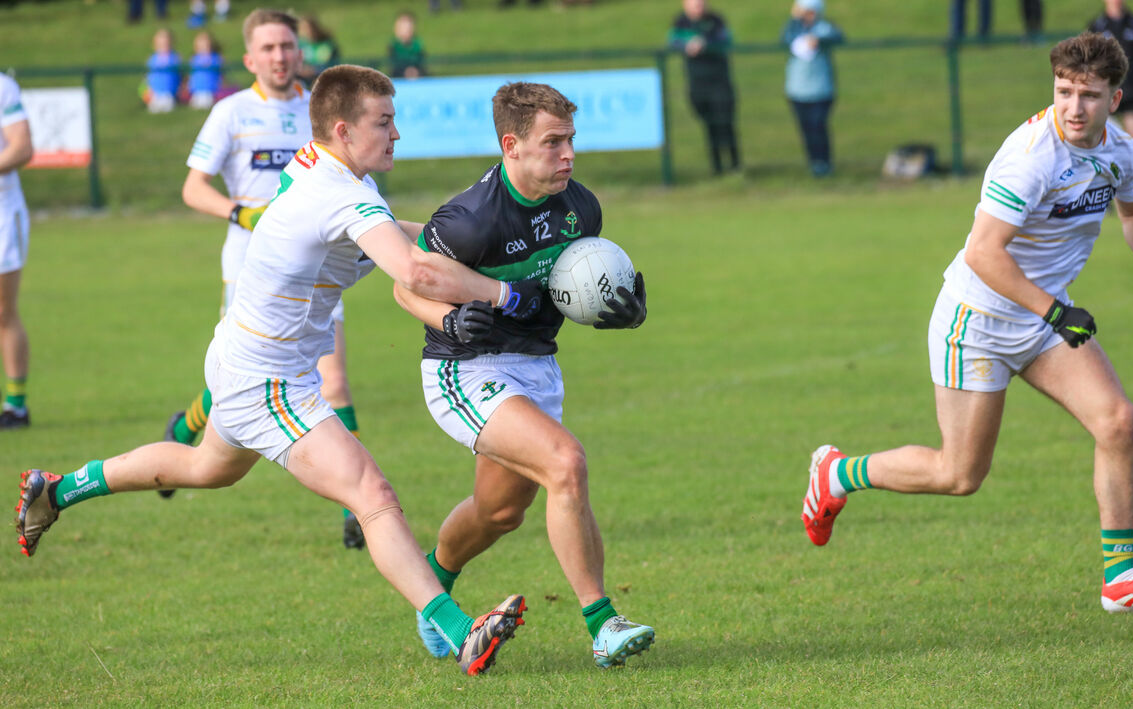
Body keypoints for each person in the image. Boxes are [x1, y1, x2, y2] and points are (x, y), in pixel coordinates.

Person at [14, 63, 547, 676]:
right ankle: (459, 633)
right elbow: (417, 272)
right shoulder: (343, 193)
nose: (396, 134)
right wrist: (506, 293)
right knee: (372, 496)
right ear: (344, 130)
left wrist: (472, 248)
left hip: (241, 356)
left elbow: (408, 240)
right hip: (267, 380)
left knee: (204, 466)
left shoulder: (319, 165)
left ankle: (54, 490)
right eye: (385, 121)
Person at [803, 32, 1133, 614]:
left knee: (1117, 421)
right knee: (959, 475)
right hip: (977, 321)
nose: (1073, 107)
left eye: (1088, 94)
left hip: (1041, 319)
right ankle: (837, 473)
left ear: (1115, 98)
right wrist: (1056, 311)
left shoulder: (1121, 151)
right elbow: (985, 253)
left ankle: (1120, 578)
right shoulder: (1032, 157)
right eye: (1063, 91)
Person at [392, 82, 655, 668]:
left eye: (571, 141)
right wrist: (449, 321)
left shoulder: (580, 207)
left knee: (500, 513)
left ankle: (433, 584)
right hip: (463, 368)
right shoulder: (467, 221)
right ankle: (603, 624)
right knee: (566, 462)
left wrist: (621, 309)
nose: (568, 155)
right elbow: (406, 286)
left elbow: (570, 289)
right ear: (511, 145)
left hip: (536, 367)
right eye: (553, 142)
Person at [167, 9, 357, 549]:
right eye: (268, 48)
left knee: (335, 381)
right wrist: (241, 213)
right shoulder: (232, 113)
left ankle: (353, 506)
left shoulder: (321, 113)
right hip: (252, 272)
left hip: (320, 269)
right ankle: (189, 425)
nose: (279, 56)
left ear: (301, 53)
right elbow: (193, 188)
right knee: (240, 379)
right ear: (250, 58)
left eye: (287, 46)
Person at [669, 0, 739, 175]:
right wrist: (688, 45)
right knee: (709, 125)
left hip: (719, 82)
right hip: (697, 83)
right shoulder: (681, 22)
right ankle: (717, 167)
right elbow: (673, 41)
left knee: (725, 123)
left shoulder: (715, 20)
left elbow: (725, 38)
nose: (698, 6)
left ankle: (735, 165)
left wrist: (705, 42)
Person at [0, 73, 33, 430]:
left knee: (3, 311)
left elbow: (21, 146)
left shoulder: (2, 87)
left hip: (2, 212)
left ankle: (16, 406)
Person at [780, 0, 843, 178]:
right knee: (806, 129)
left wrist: (819, 41)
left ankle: (825, 164)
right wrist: (793, 19)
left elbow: (838, 36)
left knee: (819, 127)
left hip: (821, 89)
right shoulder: (794, 29)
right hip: (797, 89)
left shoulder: (824, 28)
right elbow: (784, 38)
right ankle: (813, 164)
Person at [1088, 0, 1133, 151]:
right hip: (1106, 91)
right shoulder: (1097, 26)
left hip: (1131, 92)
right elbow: (1090, 64)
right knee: (1103, 141)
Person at [144, 28, 182, 113]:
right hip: (154, 93)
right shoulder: (152, 59)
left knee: (167, 104)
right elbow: (147, 77)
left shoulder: (175, 58)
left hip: (169, 93)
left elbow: (181, 76)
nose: (164, 43)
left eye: (166, 41)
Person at [297, 14, 340, 83]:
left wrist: (314, 70)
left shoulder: (326, 45)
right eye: (303, 29)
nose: (306, 31)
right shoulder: (300, 45)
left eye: (308, 28)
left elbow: (331, 65)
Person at [187, 31, 223, 110]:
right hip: (196, 91)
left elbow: (221, 74)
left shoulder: (216, 58)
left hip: (210, 91)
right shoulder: (194, 59)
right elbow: (190, 76)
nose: (204, 48)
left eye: (206, 45)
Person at [387, 12, 427, 80]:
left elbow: (422, 63)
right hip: (398, 77)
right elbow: (392, 64)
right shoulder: (393, 46)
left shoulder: (418, 45)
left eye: (408, 27)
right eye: (403, 27)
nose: (406, 30)